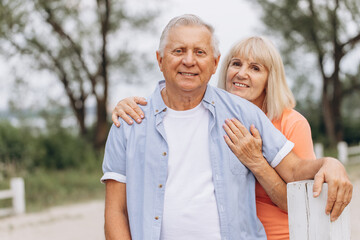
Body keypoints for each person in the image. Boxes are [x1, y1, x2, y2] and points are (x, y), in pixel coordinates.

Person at [102, 14, 352, 240]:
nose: (189, 61)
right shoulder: (129, 123)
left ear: (214, 63)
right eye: (179, 50)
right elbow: (116, 210)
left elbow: (296, 170)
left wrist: (330, 163)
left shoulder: (245, 113)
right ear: (160, 59)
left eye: (199, 52)